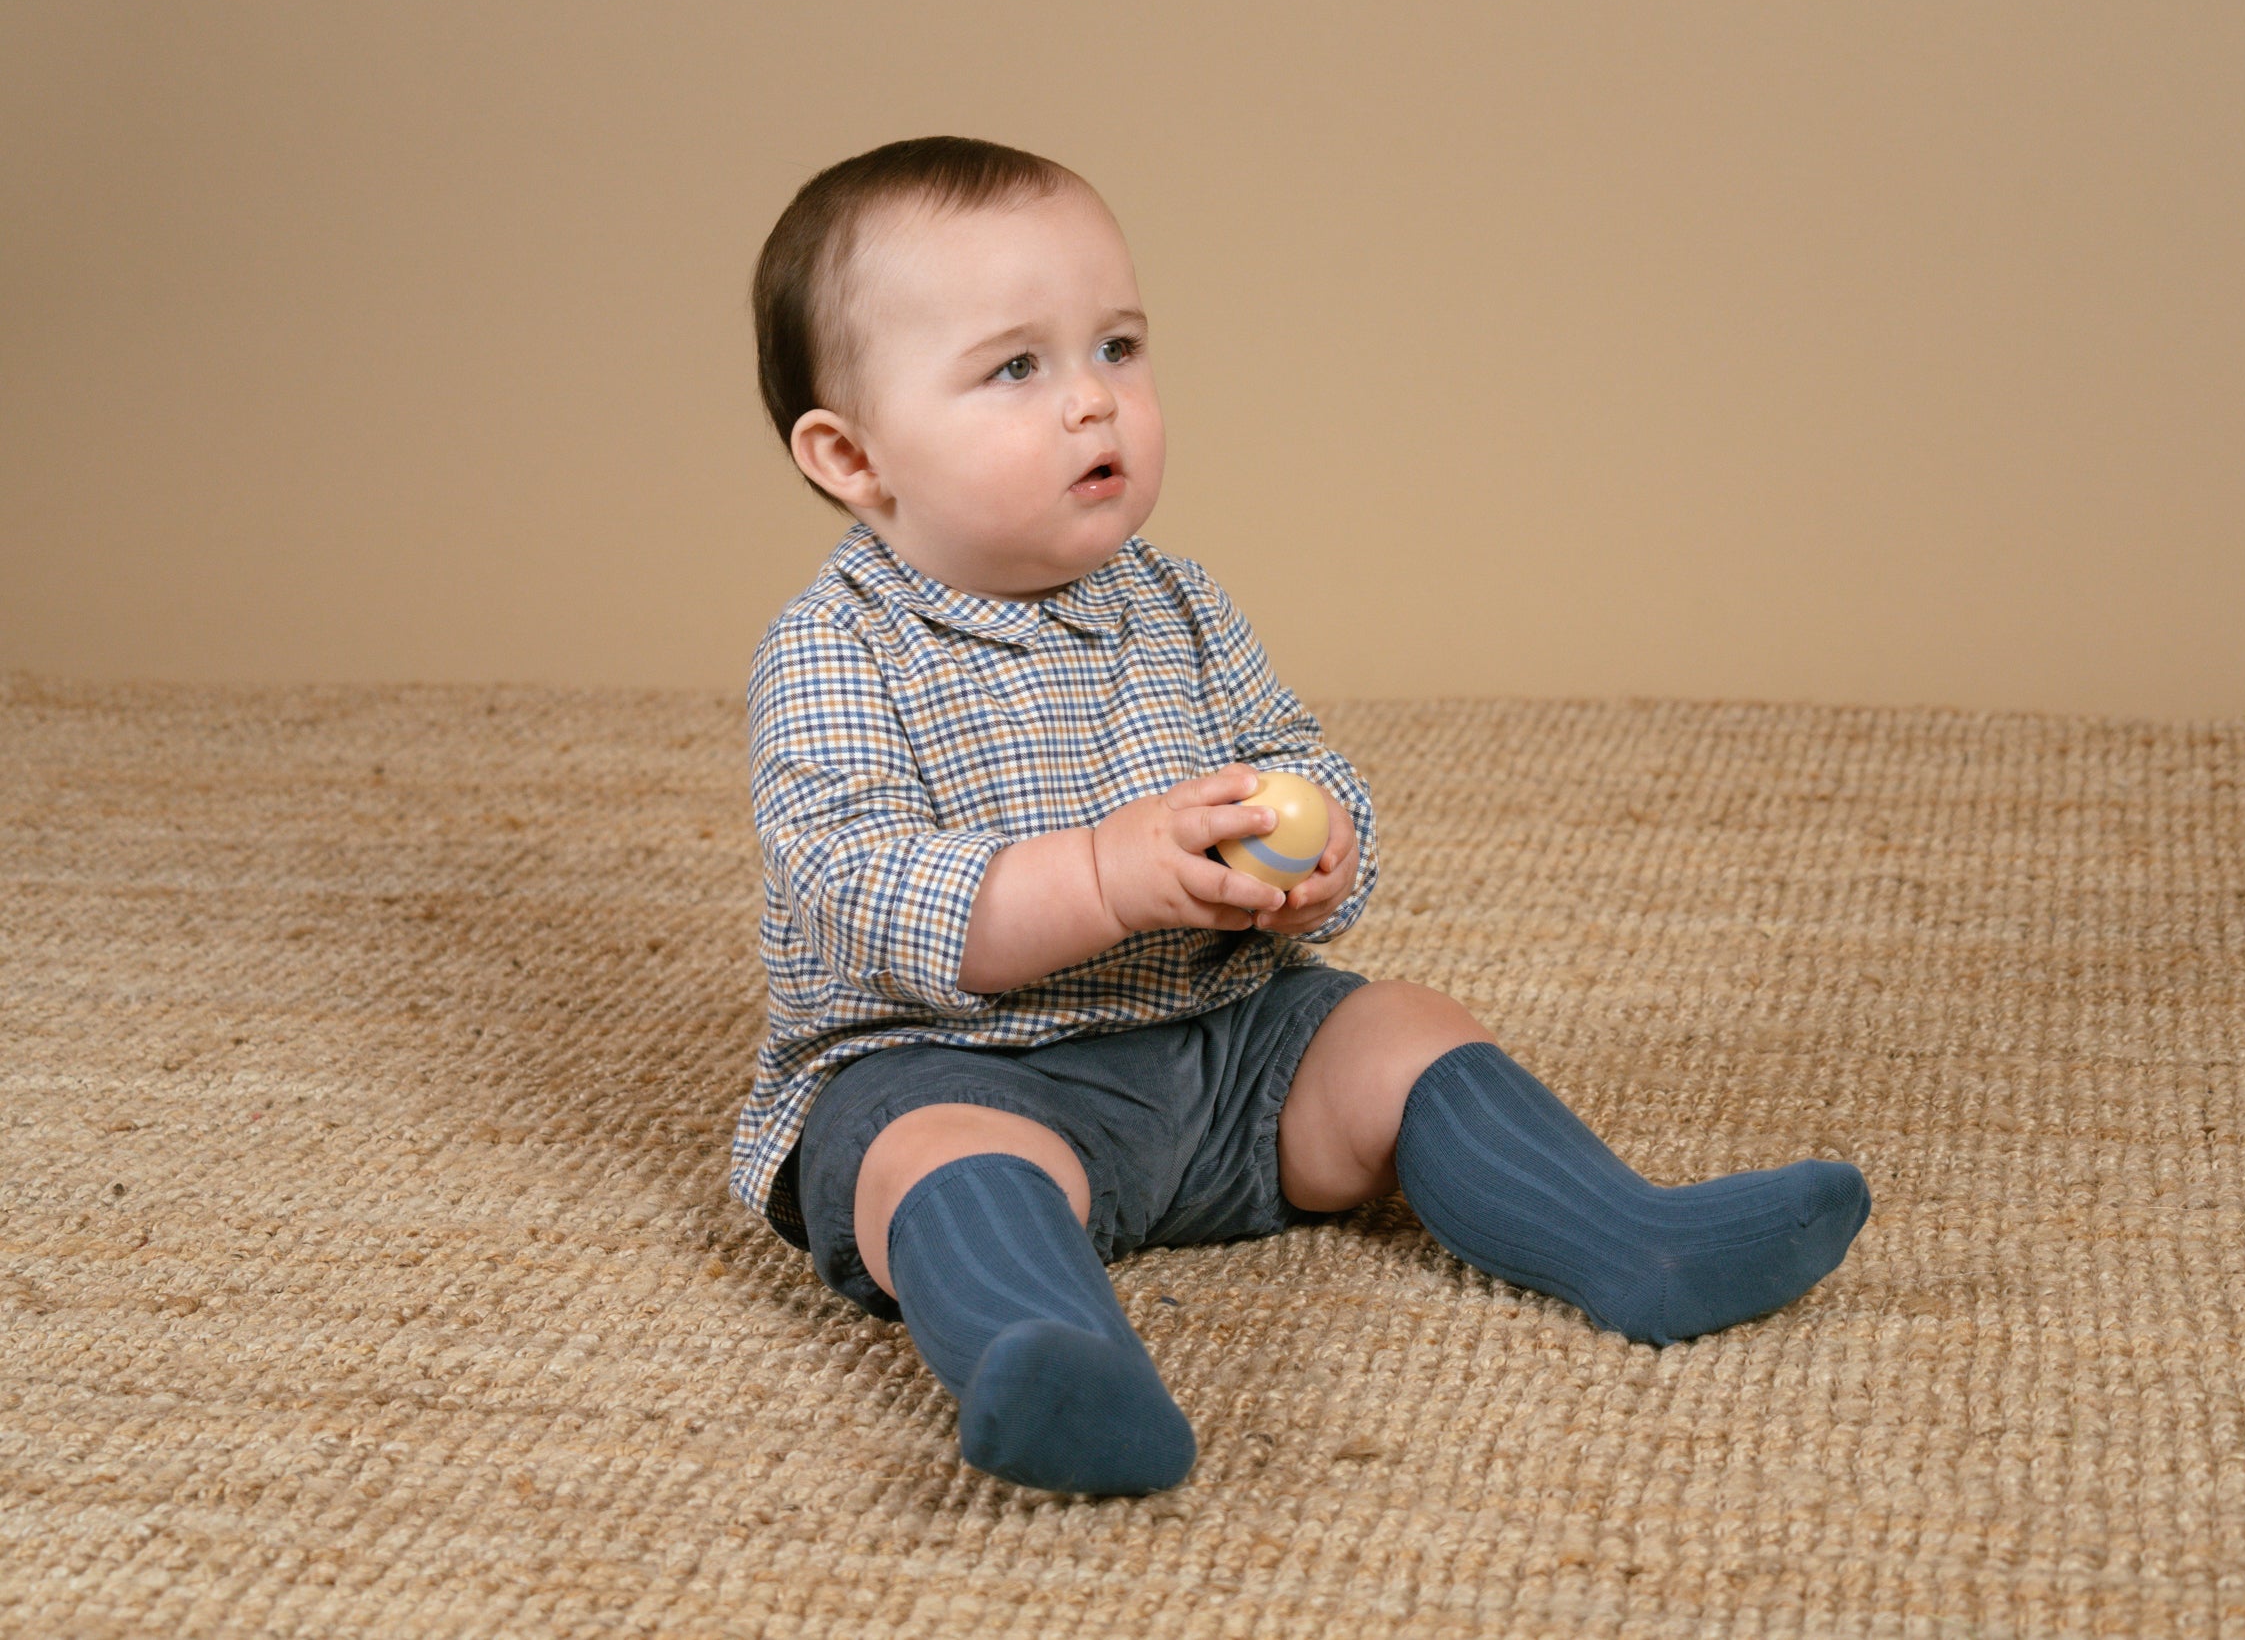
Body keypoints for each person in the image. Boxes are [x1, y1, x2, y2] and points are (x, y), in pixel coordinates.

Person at [736, 136, 1872, 1498]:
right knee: (932, 1158)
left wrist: (1323, 849)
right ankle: (1050, 1360)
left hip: (1223, 1050)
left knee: (1399, 1025)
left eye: (1117, 348)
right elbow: (859, 884)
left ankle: (1630, 1238)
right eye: (1017, 369)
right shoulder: (836, 649)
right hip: (965, 1062)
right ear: (854, 456)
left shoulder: (1178, 602)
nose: (1093, 403)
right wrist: (1103, 878)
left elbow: (1291, 756)